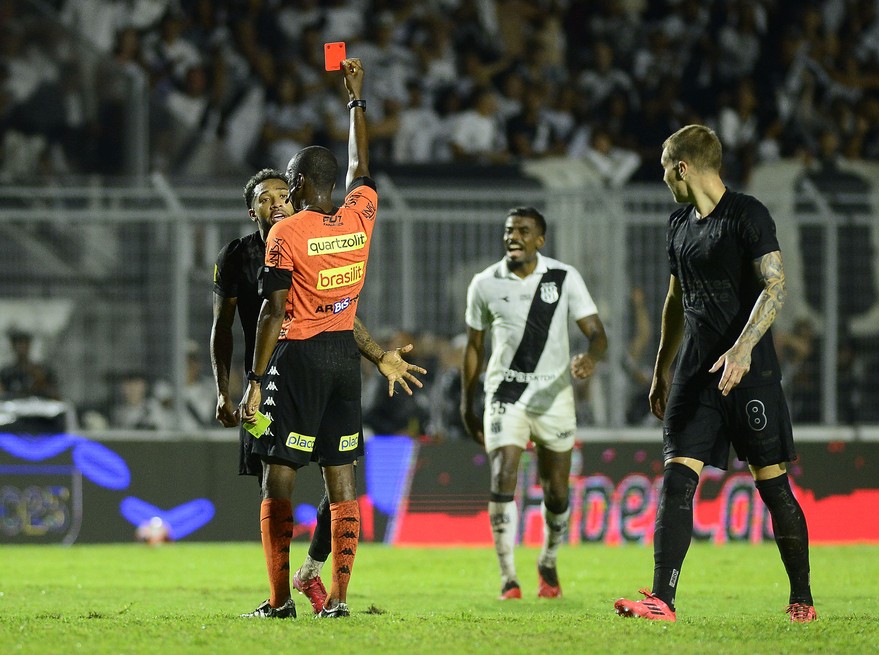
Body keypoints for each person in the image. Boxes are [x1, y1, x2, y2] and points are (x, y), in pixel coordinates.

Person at [614, 125, 817, 623]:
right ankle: (663, 599)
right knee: (676, 480)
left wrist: (744, 349)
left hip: (751, 374)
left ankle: (802, 598)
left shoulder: (748, 215)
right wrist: (662, 370)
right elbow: (674, 300)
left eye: (664, 167)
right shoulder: (678, 224)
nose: (662, 177)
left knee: (773, 487)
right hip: (695, 376)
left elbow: (775, 287)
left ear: (681, 167)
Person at [211, 165, 425, 617]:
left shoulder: (306, 235)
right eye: (265, 199)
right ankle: (283, 592)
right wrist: (225, 390)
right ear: (253, 213)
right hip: (269, 380)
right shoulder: (238, 255)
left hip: (310, 367)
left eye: (282, 195)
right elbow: (222, 327)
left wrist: (379, 355)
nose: (277, 203)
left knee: (335, 474)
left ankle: (308, 572)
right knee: (275, 475)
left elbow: (339, 313)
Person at [237, 58, 387, 620]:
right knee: (341, 478)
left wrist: (255, 380)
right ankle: (340, 600)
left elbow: (274, 311)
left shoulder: (285, 230)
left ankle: (278, 601)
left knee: (279, 477)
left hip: (297, 357)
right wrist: (356, 102)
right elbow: (362, 167)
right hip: (345, 359)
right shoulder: (360, 217)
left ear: (298, 187)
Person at [461, 206, 608, 600]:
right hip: (505, 394)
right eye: (509, 230)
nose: (514, 237)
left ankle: (547, 558)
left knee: (556, 491)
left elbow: (597, 333)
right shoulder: (485, 283)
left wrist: (591, 357)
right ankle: (508, 577)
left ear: (539, 240)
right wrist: (466, 404)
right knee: (503, 474)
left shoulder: (563, 277)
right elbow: (474, 347)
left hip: (554, 395)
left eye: (523, 231)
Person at [0, 329, 59, 399]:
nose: (22, 348)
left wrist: (41, 382)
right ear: (13, 346)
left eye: (25, 343)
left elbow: (55, 395)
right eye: (19, 343)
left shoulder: (42, 370)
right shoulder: (6, 373)